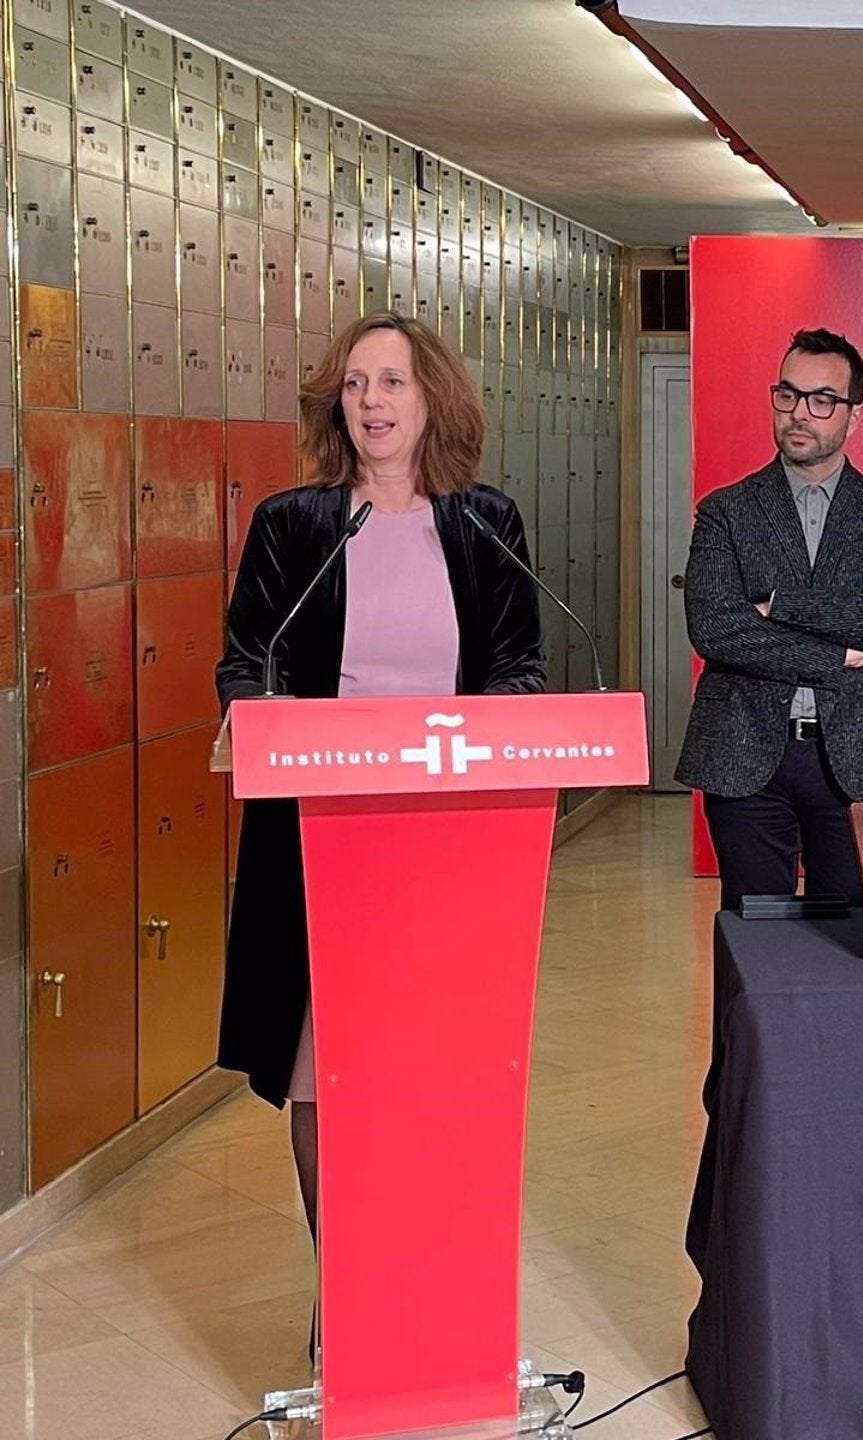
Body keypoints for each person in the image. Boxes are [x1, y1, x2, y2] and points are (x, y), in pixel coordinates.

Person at [214, 312, 545, 1355]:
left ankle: (425, 1285)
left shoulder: (486, 522)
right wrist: (258, 717)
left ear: (432, 398)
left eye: (392, 382)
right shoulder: (295, 524)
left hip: (444, 847)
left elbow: (519, 668)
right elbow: (244, 663)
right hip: (318, 841)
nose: (373, 403)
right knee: (320, 1068)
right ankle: (346, 1292)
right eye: (356, 385)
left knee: (430, 1069)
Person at [677, 328, 863, 910]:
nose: (800, 414)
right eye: (787, 395)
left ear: (853, 415)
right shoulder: (726, 510)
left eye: (822, 401)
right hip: (744, 752)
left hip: (861, 754)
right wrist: (833, 654)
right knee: (752, 932)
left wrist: (779, 607)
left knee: (849, 934)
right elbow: (715, 626)